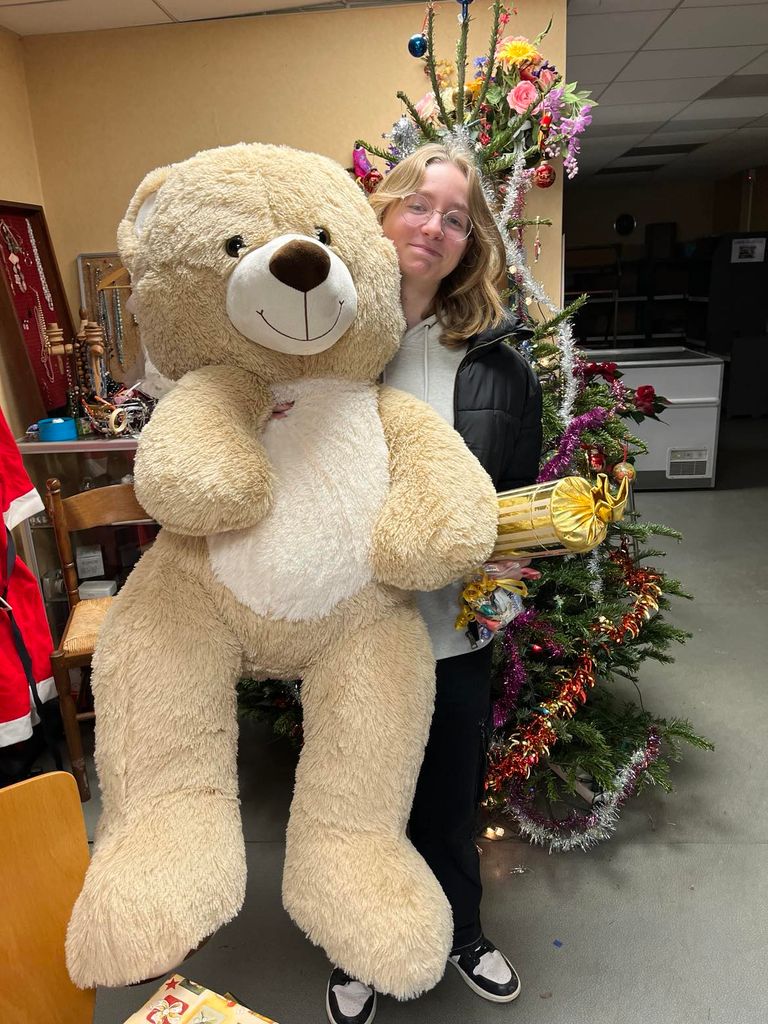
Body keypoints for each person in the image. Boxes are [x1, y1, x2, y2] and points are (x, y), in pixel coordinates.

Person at [324, 142, 543, 1024]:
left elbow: (517, 508)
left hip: (455, 632)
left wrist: (501, 591)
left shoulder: (496, 362)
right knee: (357, 801)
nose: (436, 227)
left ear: (470, 243)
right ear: (384, 212)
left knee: (450, 801)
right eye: (421, 205)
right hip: (351, 632)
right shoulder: (328, 342)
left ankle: (460, 931)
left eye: (456, 217)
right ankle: (355, 945)